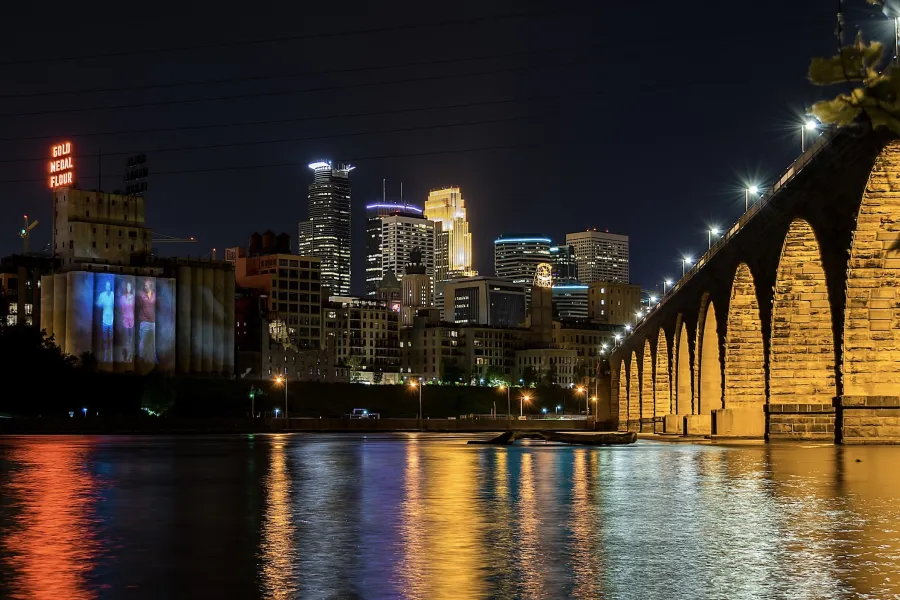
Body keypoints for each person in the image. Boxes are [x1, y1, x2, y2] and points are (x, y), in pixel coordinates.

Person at [137, 279, 156, 364]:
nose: (145, 287)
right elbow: (138, 306)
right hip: (144, 322)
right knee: (142, 341)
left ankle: (151, 360)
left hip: (152, 322)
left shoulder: (154, 295)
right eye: (144, 285)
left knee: (152, 343)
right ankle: (141, 358)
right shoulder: (141, 295)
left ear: (150, 286)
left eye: (146, 285)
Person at [95, 279, 114, 362]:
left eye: (109, 286)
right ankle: (106, 356)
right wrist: (98, 302)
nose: (108, 288)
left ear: (111, 287)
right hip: (104, 322)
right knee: (105, 339)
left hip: (112, 321)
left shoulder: (113, 295)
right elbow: (98, 304)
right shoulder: (102, 295)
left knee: (111, 339)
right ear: (105, 287)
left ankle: (111, 356)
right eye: (107, 286)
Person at [119, 281, 135, 362]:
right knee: (126, 340)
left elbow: (134, 309)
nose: (128, 288)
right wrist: (124, 318)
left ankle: (130, 356)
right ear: (126, 288)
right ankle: (126, 356)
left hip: (132, 321)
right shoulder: (122, 298)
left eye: (130, 287)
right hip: (125, 320)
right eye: (127, 287)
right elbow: (122, 310)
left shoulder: (133, 297)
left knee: (131, 339)